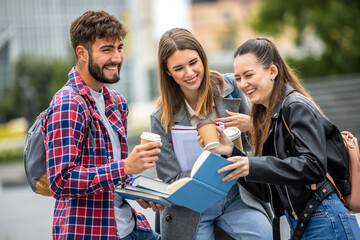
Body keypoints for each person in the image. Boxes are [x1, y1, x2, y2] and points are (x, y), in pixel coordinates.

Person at [203, 37, 360, 239]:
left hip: (325, 220)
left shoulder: (294, 106)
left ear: (272, 72)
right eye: (238, 78)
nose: (243, 84)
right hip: (305, 222)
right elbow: (267, 192)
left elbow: (314, 166)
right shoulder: (271, 118)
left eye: (249, 75)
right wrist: (230, 152)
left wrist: (253, 165)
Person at [41, 10, 162, 240]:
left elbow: (114, 173)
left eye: (120, 48)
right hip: (90, 231)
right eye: (107, 50)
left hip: (131, 227)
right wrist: (125, 167)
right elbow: (60, 181)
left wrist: (143, 189)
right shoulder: (69, 104)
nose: (117, 58)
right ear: (82, 53)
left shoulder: (117, 102)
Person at [150, 28, 273, 240]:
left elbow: (258, 144)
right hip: (192, 205)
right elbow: (170, 178)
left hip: (237, 194)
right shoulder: (161, 118)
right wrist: (206, 169)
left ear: (202, 58)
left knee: (263, 233)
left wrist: (251, 125)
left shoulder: (229, 87)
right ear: (168, 72)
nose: (189, 73)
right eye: (179, 68)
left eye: (193, 62)